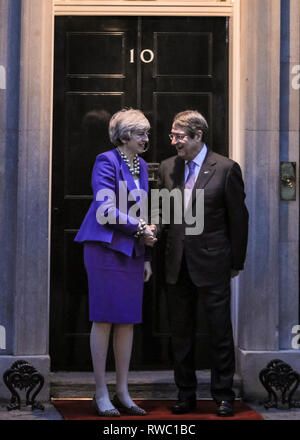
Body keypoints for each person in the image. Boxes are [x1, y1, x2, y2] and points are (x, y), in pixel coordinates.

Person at [158, 110, 248, 417]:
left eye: (179, 137)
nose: (174, 142)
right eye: (172, 136)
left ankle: (224, 395)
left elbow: (238, 219)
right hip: (177, 263)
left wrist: (235, 262)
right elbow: (166, 214)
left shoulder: (225, 169)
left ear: (198, 136)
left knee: (219, 332)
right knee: (181, 335)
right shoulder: (169, 167)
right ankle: (186, 394)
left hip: (213, 263)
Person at [75, 108, 157, 417]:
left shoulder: (143, 167)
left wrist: (147, 252)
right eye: (141, 134)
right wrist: (139, 229)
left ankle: (123, 391)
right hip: (104, 247)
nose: (146, 139)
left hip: (132, 251)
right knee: (104, 318)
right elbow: (105, 207)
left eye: (147, 133)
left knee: (127, 319)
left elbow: (143, 211)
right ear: (124, 136)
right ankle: (100, 392)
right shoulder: (106, 161)